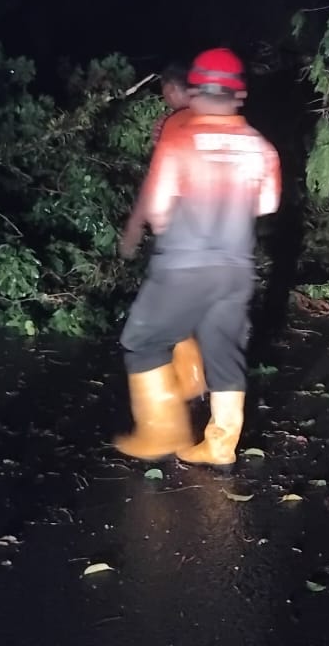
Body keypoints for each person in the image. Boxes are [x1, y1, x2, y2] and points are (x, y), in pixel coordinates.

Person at [113, 47, 282, 470]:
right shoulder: (261, 147)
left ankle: (160, 431)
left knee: (143, 341)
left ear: (196, 90)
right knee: (224, 354)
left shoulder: (179, 136)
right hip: (236, 268)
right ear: (239, 95)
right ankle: (221, 445)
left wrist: (149, 230)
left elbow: (157, 205)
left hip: (185, 265)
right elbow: (266, 205)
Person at [121, 59, 204, 401]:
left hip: (180, 228)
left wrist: (134, 226)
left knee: (145, 329)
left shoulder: (176, 122)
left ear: (172, 89)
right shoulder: (218, 120)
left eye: (165, 93)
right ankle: (195, 379)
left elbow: (159, 179)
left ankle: (163, 416)